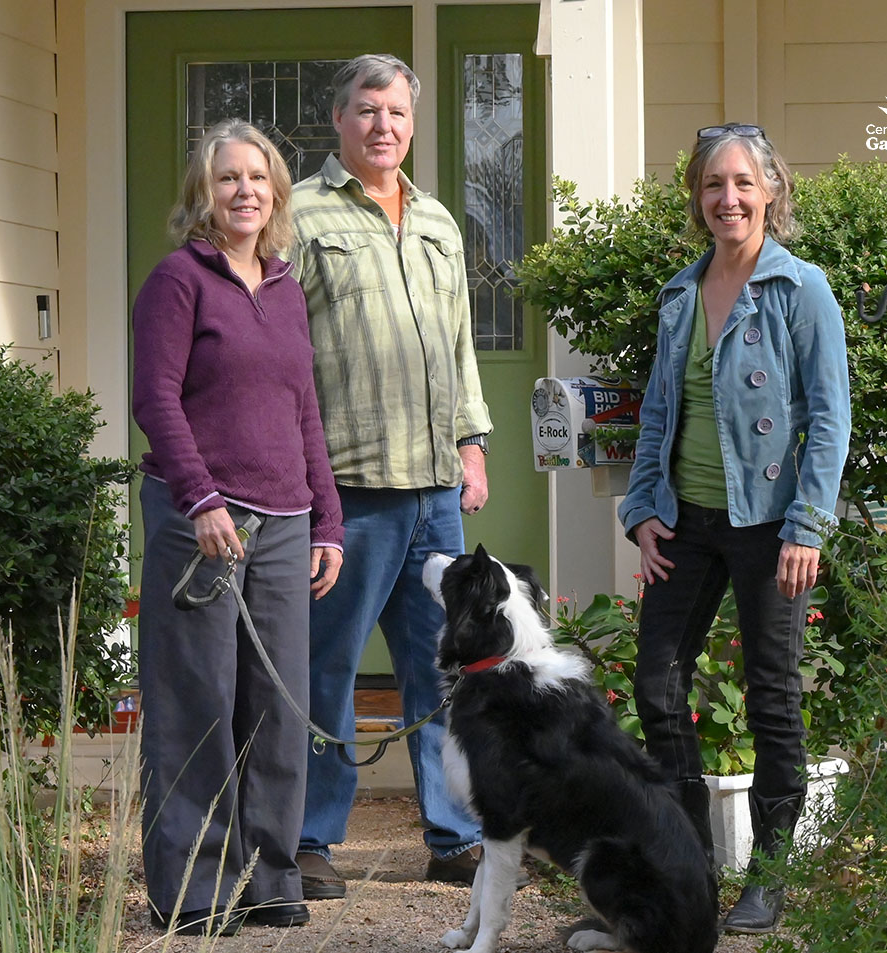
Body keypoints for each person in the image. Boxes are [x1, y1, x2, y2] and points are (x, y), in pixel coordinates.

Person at [617, 123, 851, 934]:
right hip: (686, 521)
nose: (729, 199)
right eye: (713, 186)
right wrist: (642, 510)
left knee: (774, 700)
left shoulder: (800, 289)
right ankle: (691, 866)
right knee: (656, 684)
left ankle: (771, 875)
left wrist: (808, 525)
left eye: (743, 183)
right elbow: (658, 414)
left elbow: (829, 417)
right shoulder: (681, 293)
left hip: (770, 526)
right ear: (697, 198)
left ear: (772, 191)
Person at [286, 53, 493, 898]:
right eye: (367, 111)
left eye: (398, 113)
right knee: (327, 665)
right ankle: (310, 837)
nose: (384, 126)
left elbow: (458, 343)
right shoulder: (297, 215)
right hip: (348, 488)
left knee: (441, 665)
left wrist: (472, 442)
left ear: (413, 123)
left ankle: (453, 835)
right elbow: (280, 351)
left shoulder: (440, 220)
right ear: (338, 120)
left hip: (434, 490)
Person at [132, 119, 344, 936]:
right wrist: (202, 498)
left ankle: (271, 874)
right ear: (203, 195)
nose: (245, 191)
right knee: (198, 704)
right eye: (227, 179)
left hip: (287, 526)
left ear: (277, 192)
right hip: (202, 524)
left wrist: (327, 519)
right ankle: (192, 887)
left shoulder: (287, 286)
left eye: (258, 177)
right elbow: (155, 398)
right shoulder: (178, 281)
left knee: (278, 710)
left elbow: (304, 410)